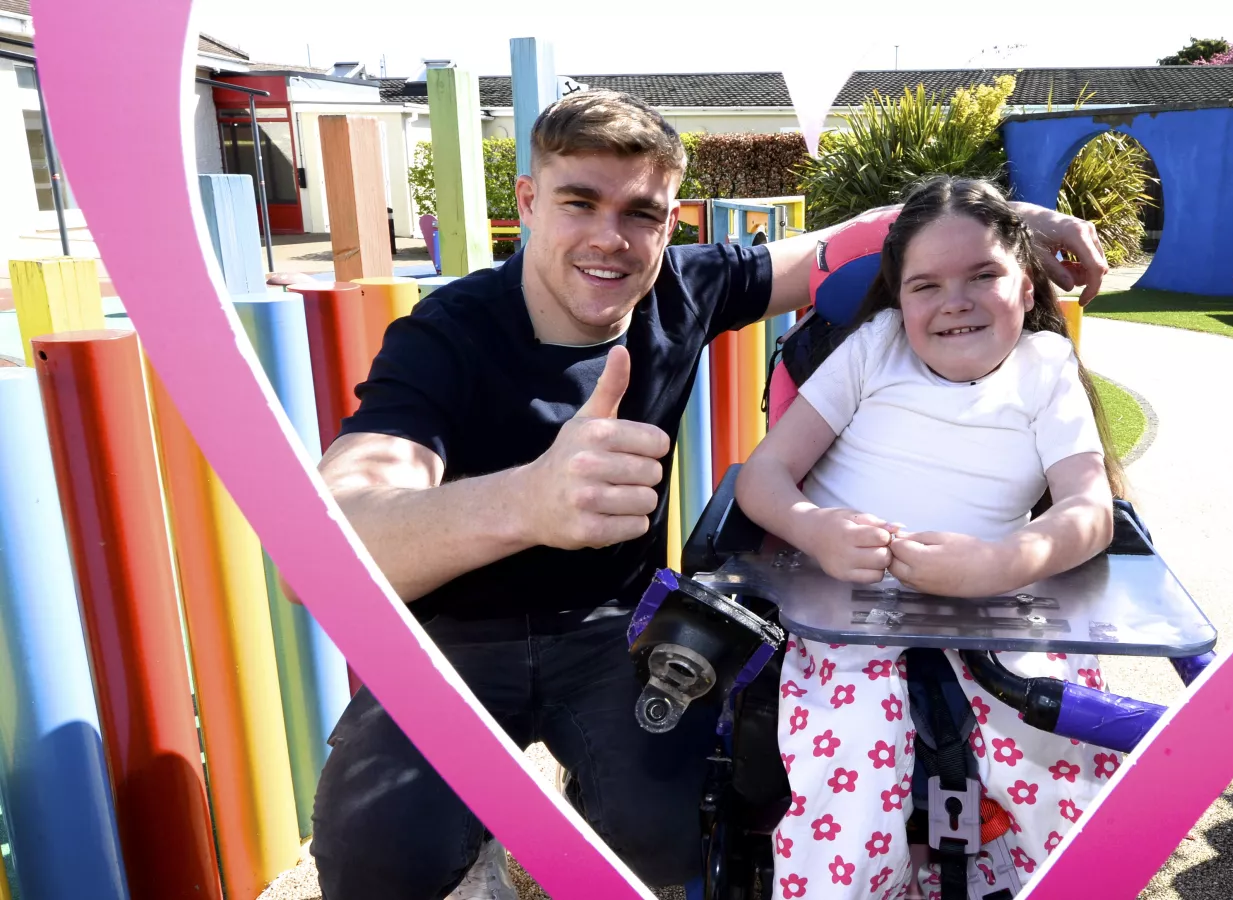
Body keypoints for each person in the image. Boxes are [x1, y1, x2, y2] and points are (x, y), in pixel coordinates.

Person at [308, 87, 1111, 900]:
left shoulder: (681, 289)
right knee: (379, 864)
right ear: (527, 199)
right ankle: (468, 849)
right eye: (578, 201)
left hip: (608, 632)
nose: (610, 238)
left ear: (670, 221)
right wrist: (524, 502)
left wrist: (1006, 215)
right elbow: (335, 536)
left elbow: (848, 242)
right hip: (449, 642)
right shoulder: (446, 334)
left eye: (642, 214)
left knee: (676, 835)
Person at [733, 175, 1126, 900]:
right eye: (926, 286)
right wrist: (814, 529)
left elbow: (1090, 510)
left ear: (1030, 289)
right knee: (853, 752)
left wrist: (1001, 562)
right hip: (846, 607)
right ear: (900, 299)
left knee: (1052, 742)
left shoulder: (1046, 369)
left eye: (984, 276)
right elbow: (762, 479)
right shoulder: (874, 348)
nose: (955, 301)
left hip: (993, 601)